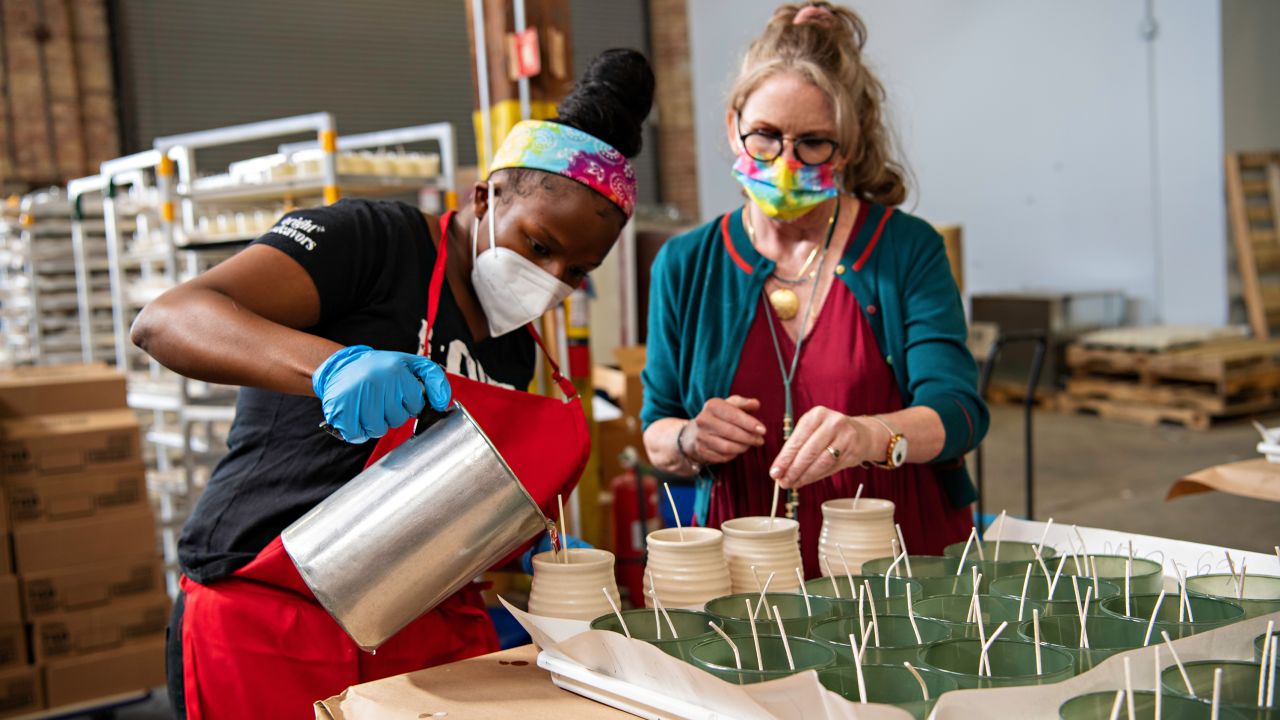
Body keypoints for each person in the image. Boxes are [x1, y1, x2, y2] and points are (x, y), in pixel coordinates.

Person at [133, 49, 653, 719]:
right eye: (537, 244)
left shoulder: (514, 349)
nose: (550, 279)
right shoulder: (374, 242)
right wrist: (330, 366)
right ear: (486, 196)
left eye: (576, 272)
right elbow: (168, 319)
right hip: (269, 618)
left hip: (408, 625)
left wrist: (520, 543)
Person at [640, 2, 987, 579]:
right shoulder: (685, 263)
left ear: (846, 148)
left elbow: (959, 414)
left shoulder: (905, 250)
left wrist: (870, 433)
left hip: (901, 560)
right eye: (766, 137)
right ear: (733, 127)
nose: (785, 162)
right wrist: (692, 437)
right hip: (747, 573)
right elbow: (657, 430)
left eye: (814, 144)